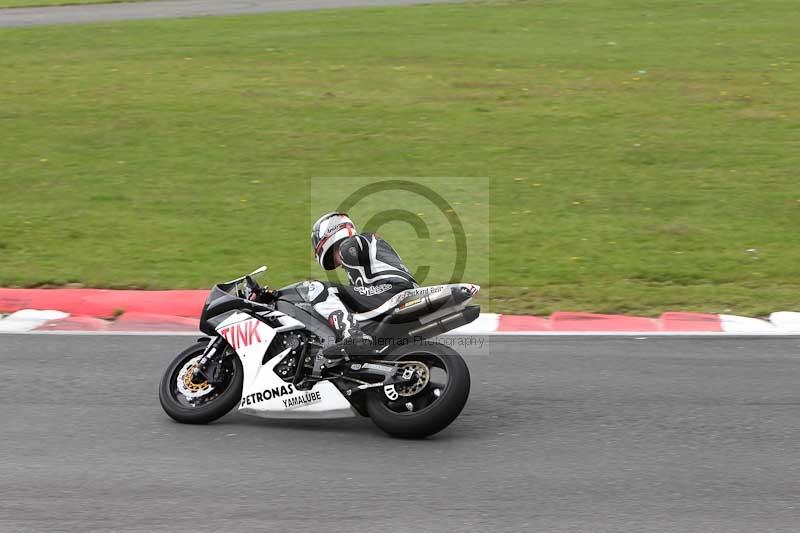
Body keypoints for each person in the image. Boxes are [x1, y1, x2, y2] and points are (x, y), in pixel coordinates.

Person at [309, 212, 418, 357]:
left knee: (318, 288)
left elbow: (352, 248)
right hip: (399, 292)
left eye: (331, 255)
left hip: (394, 290)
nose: (336, 263)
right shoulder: (366, 250)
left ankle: (352, 335)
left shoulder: (353, 244)